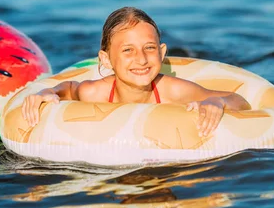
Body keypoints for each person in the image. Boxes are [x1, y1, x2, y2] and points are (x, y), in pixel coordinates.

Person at [22, 7, 251, 137]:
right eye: (128, 50)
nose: (141, 59)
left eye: (149, 48)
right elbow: (70, 89)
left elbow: (238, 100)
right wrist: (49, 92)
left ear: (162, 53)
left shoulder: (173, 90)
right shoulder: (97, 93)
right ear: (106, 60)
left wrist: (216, 102)